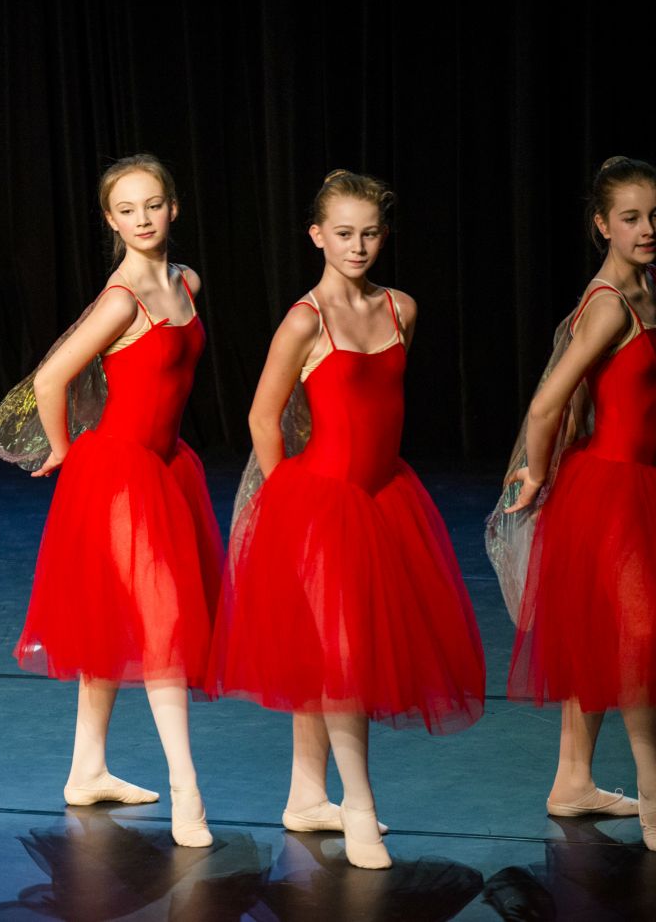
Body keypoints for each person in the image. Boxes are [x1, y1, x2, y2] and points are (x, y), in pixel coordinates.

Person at [210, 170, 485, 869]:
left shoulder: (401, 309)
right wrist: (287, 502)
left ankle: (307, 796)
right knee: (341, 659)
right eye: (343, 234)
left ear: (383, 236)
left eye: (368, 233)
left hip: (386, 499)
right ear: (316, 237)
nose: (357, 245)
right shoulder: (306, 319)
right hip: (320, 504)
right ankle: (358, 804)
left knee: (334, 652)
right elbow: (262, 417)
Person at [0, 154, 220, 847]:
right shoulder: (124, 299)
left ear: (173, 208)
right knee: (161, 627)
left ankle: (87, 769)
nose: (143, 220)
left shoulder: (185, 282)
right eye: (127, 210)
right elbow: (53, 377)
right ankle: (188, 789)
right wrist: (60, 450)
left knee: (117, 623)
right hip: (118, 471)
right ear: (110, 220)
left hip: (165, 467)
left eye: (153, 205)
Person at [490, 156, 656, 849]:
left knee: (599, 639)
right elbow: (546, 402)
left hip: (641, 481)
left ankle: (572, 780)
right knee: (640, 643)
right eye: (631, 218)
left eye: (654, 215)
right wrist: (531, 474)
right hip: (611, 492)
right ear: (601, 225)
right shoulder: (609, 303)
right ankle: (653, 791)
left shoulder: (646, 287)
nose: (647, 228)